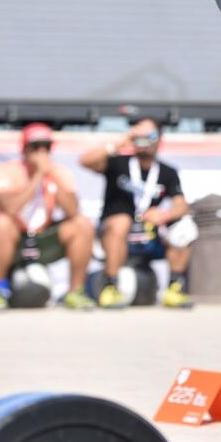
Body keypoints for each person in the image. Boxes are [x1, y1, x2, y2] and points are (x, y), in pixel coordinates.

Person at [80, 118, 197, 309]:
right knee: (121, 222)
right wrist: (122, 141)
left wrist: (164, 214)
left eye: (150, 136)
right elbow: (85, 161)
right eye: (140, 136)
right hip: (114, 236)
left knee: (184, 227)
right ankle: (111, 286)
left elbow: (182, 205)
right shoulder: (118, 163)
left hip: (149, 236)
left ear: (159, 139)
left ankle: (175, 287)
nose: (145, 141)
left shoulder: (167, 172)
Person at [0, 123, 95, 310]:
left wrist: (50, 176)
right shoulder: (5, 171)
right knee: (0, 222)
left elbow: (73, 210)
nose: (41, 152)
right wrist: (38, 176)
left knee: (81, 224)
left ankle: (76, 291)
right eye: (35, 147)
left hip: (42, 236)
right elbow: (10, 208)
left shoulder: (58, 172)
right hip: (12, 237)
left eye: (46, 147)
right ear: (24, 149)